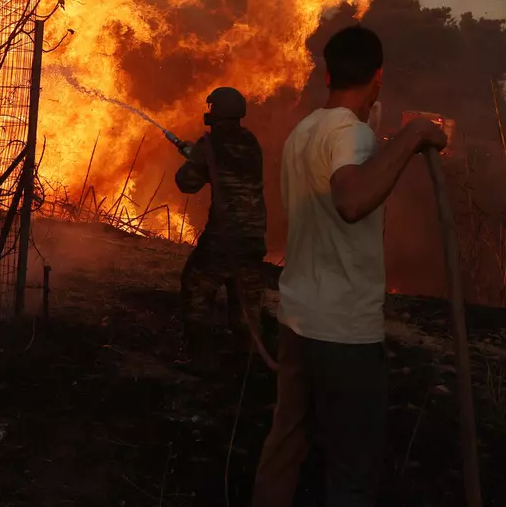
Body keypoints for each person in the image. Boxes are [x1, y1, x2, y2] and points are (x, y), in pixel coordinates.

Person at [252, 26, 447, 507]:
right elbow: (352, 199)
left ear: (326, 74)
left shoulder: (304, 132)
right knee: (352, 470)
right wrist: (414, 133)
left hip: (297, 318)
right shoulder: (351, 133)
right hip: (343, 332)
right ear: (379, 75)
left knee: (285, 444)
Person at [174, 86, 269, 365]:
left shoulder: (210, 144)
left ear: (215, 112)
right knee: (247, 302)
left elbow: (186, 183)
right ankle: (249, 364)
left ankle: (200, 358)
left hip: (223, 237)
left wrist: (194, 157)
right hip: (253, 236)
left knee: (196, 287)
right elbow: (231, 167)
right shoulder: (251, 142)